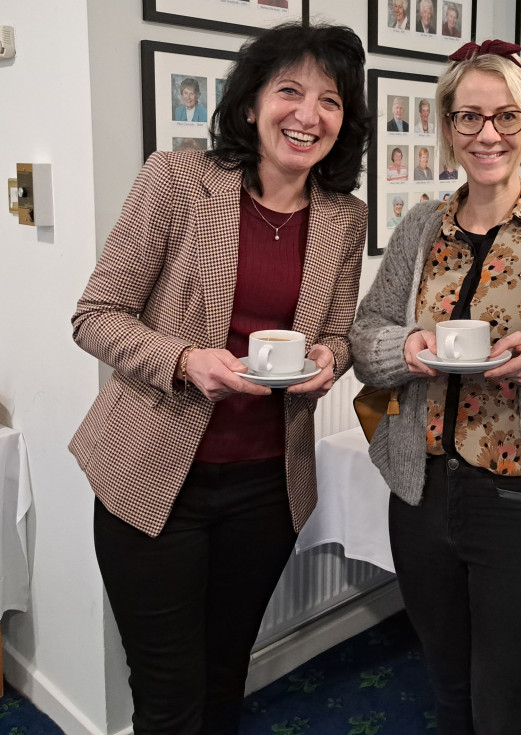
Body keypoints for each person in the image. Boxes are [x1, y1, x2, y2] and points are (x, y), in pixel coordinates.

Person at [70, 23, 371, 734]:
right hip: (153, 482)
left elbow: (334, 332)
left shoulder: (344, 218)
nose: (308, 114)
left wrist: (333, 358)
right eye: (289, 91)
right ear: (249, 104)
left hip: (266, 486)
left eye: (329, 100)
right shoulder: (175, 181)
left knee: (225, 674)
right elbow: (96, 315)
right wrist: (183, 360)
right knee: (170, 699)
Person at [349, 39, 521, 735]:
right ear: (447, 128)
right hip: (421, 491)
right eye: (468, 117)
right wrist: (400, 348)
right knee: (446, 686)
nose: (487, 134)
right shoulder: (418, 230)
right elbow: (365, 332)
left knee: (505, 702)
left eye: (506, 117)